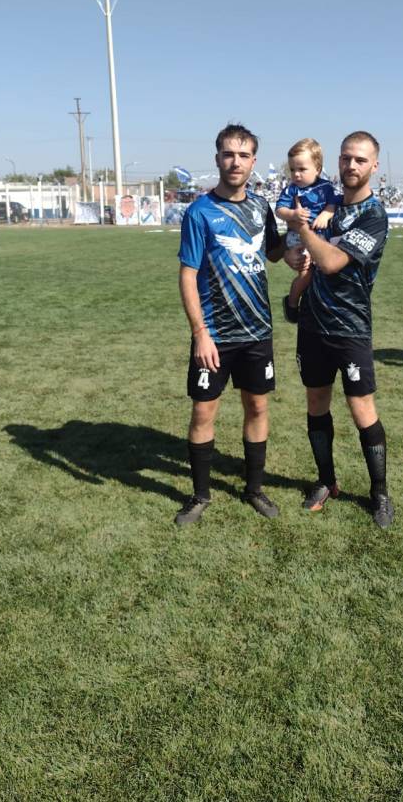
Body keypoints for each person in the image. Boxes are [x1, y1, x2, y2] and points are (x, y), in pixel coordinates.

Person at [175, 123, 285, 525]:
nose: (235, 162)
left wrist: (301, 242)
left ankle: (253, 488)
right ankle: (200, 495)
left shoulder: (260, 207)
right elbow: (188, 275)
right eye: (227, 154)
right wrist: (200, 334)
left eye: (243, 155)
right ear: (217, 158)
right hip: (215, 337)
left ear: (253, 162)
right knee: (204, 414)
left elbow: (274, 252)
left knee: (257, 406)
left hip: (257, 332)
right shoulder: (200, 212)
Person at [288, 131, 393, 528]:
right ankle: (326, 481)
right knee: (316, 403)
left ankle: (379, 492)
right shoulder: (323, 206)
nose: (351, 166)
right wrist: (296, 256)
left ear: (374, 167)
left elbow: (331, 262)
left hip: (351, 327)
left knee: (361, 409)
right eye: (347, 158)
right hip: (312, 326)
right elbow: (300, 258)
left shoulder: (373, 215)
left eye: (360, 160)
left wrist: (306, 234)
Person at [275, 138, 338, 323]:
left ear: (317, 169)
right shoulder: (290, 190)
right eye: (293, 169)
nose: (296, 174)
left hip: (320, 237)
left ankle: (318, 306)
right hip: (298, 238)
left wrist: (325, 215)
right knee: (306, 273)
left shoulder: (325, 187)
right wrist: (293, 214)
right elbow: (279, 210)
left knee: (325, 271)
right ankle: (292, 303)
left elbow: (333, 204)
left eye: (302, 169)